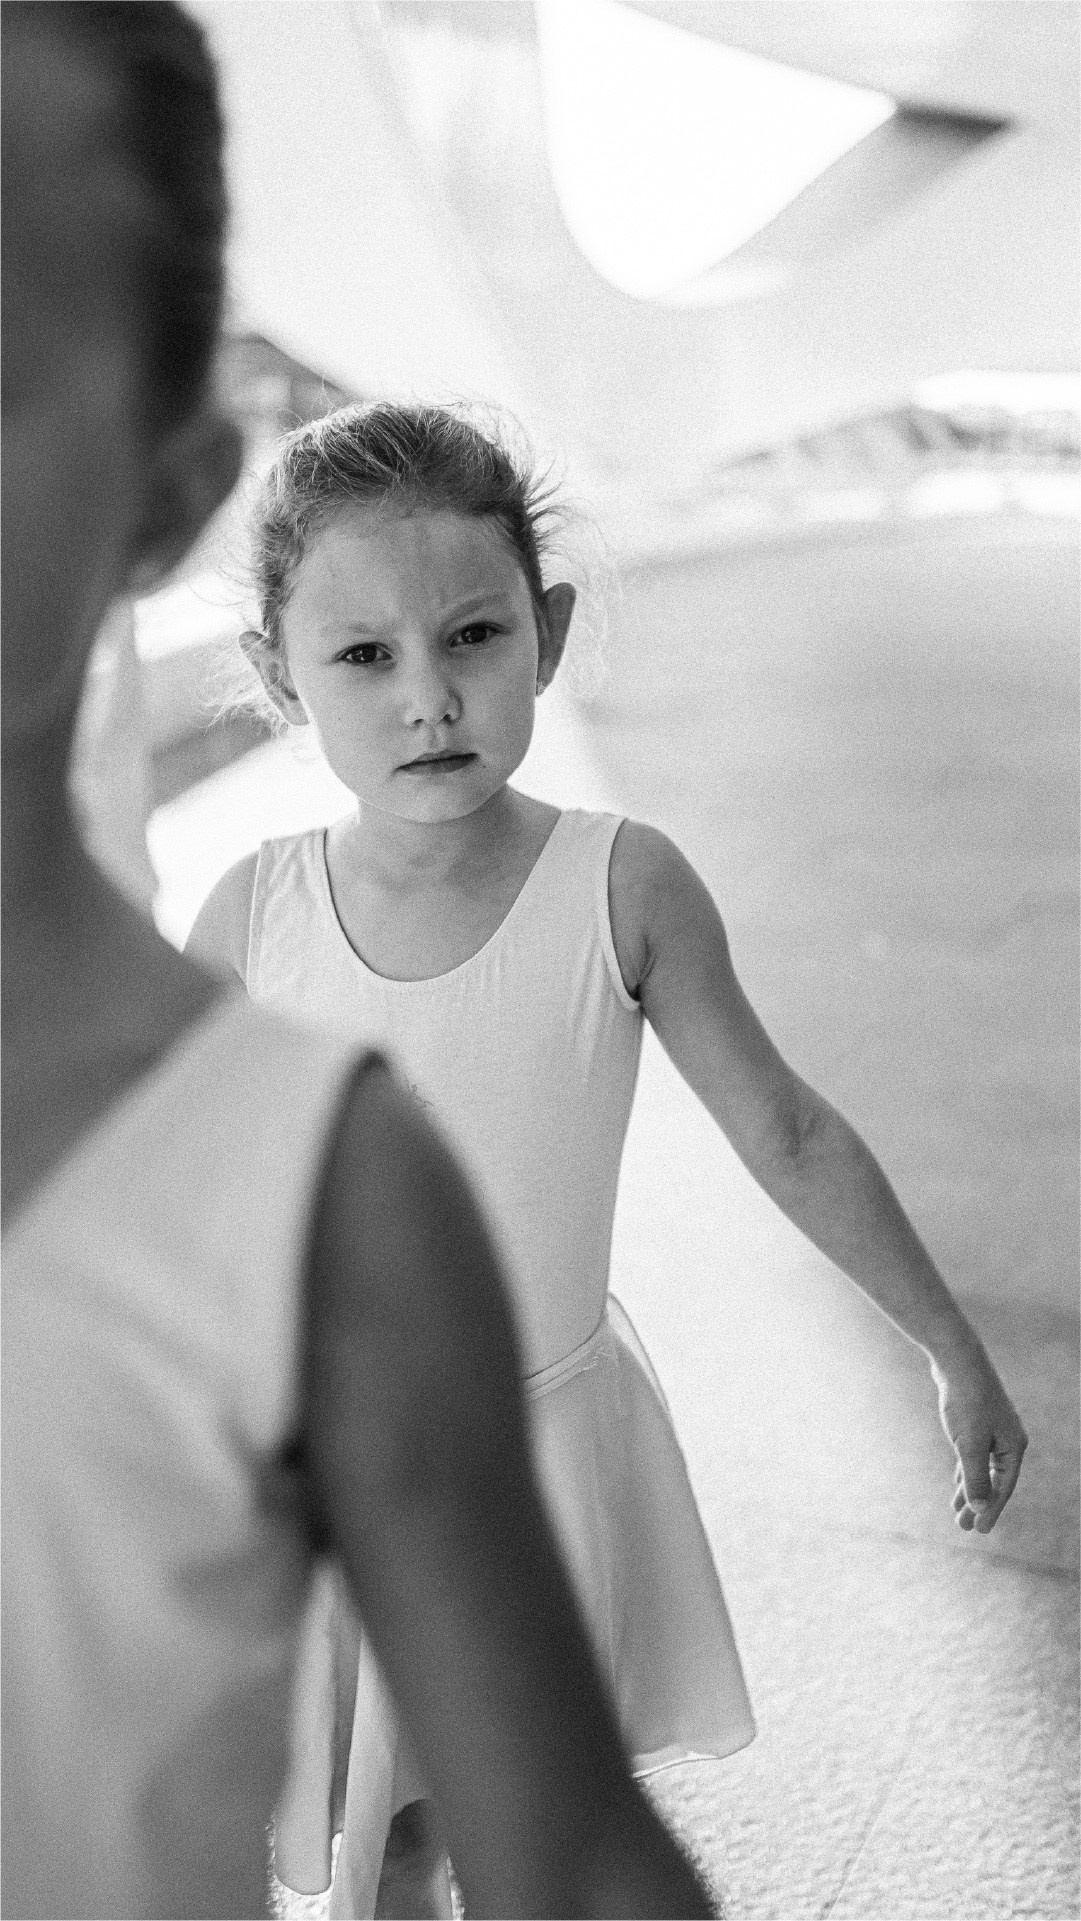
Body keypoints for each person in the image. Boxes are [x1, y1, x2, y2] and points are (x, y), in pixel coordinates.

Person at [0, 7, 715, 1918]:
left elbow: (573, 1866)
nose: (421, 702)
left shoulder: (311, 1196)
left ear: (160, 493)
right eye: (366, 661)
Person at [190, 399, 1031, 1917]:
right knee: (378, 1836)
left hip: (540, 1450)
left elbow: (783, 1125)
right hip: (339, 1461)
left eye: (473, 636)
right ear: (276, 674)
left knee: (540, 1831)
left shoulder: (619, 884)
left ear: (548, 632)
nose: (430, 698)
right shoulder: (252, 916)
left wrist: (946, 1342)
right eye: (364, 657)